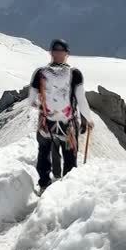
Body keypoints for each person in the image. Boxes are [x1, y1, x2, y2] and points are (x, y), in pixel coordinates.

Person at [29, 38, 94, 191]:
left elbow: (31, 100)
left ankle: (44, 184)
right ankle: (68, 189)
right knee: (70, 157)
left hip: (46, 123)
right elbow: (81, 99)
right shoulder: (74, 74)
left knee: (44, 154)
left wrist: (45, 109)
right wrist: (88, 119)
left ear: (50, 53)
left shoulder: (40, 73)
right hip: (68, 124)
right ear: (67, 54)